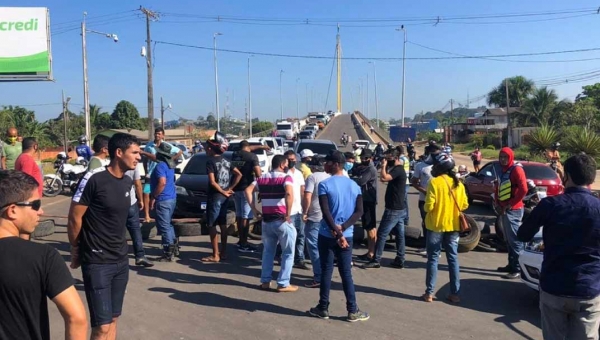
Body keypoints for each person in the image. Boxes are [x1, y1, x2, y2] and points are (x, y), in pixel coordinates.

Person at [518, 154, 600, 339]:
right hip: (589, 290)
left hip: (555, 287)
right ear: (591, 178)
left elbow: (523, 234)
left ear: (567, 176)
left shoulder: (550, 205)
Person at [68, 133, 141, 340]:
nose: (138, 157)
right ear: (119, 153)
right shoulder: (94, 178)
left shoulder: (127, 182)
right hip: (98, 262)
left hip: (120, 260)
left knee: (114, 319)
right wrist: (76, 249)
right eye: (134, 152)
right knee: (101, 326)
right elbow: (75, 217)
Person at [0, 170, 88, 340]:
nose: (40, 211)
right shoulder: (43, 257)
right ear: (12, 210)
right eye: (35, 204)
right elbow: (76, 318)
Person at [308, 150, 369, 322]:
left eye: (327, 162)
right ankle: (352, 309)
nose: (324, 165)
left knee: (326, 270)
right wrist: (342, 229)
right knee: (346, 273)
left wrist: (336, 231)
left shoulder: (324, 185)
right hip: (346, 235)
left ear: (335, 164)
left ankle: (323, 307)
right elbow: (359, 212)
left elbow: (326, 212)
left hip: (327, 234)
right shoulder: (354, 186)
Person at [245, 155, 298, 292]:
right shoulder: (286, 178)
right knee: (288, 252)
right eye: (287, 163)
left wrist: (254, 209)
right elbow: (289, 194)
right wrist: (288, 213)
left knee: (268, 252)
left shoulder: (262, 178)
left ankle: (265, 281)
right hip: (281, 220)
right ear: (282, 165)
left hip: (266, 221)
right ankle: (283, 283)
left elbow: (248, 190)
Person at [422, 153, 468, 303]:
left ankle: (429, 293)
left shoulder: (434, 183)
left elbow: (429, 206)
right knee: (453, 258)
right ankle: (455, 293)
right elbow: (464, 205)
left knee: (433, 258)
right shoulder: (459, 184)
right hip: (453, 226)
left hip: (436, 226)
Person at [364, 148, 408, 269]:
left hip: (394, 208)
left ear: (396, 158)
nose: (388, 161)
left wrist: (383, 166)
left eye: (390, 159)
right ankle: (400, 258)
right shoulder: (397, 169)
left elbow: (384, 178)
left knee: (382, 234)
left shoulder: (398, 170)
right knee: (400, 235)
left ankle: (376, 259)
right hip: (399, 207)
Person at [203, 132, 242, 262]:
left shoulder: (210, 162)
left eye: (206, 148)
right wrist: (229, 189)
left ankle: (215, 254)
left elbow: (213, 182)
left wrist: (222, 191)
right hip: (225, 197)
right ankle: (223, 252)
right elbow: (238, 174)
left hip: (215, 197)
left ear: (210, 148)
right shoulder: (226, 161)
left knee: (212, 225)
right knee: (223, 224)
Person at [496, 147, 528, 279]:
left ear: (510, 157)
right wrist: (498, 204)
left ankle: (518, 269)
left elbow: (523, 189)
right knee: (508, 240)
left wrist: (511, 204)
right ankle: (511, 264)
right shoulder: (503, 170)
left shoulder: (517, 169)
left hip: (513, 210)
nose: (503, 159)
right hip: (504, 209)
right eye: (501, 157)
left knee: (515, 240)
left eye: (505, 157)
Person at [143, 128, 182, 226]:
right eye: (156, 134)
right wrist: (146, 170)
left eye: (159, 134)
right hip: (152, 173)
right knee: (146, 192)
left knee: (163, 194)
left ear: (163, 135)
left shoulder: (166, 146)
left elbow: (180, 151)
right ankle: (147, 215)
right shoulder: (149, 145)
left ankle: (164, 218)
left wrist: (171, 159)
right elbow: (146, 159)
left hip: (163, 173)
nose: (157, 135)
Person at [302, 156, 330, 288]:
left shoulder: (312, 178)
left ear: (312, 167)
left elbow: (307, 196)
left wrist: (305, 212)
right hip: (327, 216)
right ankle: (325, 274)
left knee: (313, 245)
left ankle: (318, 276)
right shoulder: (329, 177)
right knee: (324, 246)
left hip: (314, 216)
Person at [231, 140, 263, 253]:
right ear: (248, 147)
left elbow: (248, 148)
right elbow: (259, 174)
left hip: (235, 188)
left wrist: (261, 146)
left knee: (239, 216)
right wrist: (262, 190)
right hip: (247, 188)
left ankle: (241, 241)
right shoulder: (252, 157)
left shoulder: (235, 155)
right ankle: (244, 244)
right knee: (246, 216)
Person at [150, 143, 179, 262]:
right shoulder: (170, 165)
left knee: (164, 226)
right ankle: (174, 247)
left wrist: (154, 196)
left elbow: (162, 182)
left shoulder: (160, 166)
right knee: (168, 224)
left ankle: (168, 252)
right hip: (171, 198)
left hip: (163, 199)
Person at [411, 144, 441, 255]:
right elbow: (414, 181)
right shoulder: (420, 166)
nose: (437, 156)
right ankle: (427, 246)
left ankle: (436, 247)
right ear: (428, 154)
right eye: (435, 154)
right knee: (426, 223)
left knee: (437, 223)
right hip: (424, 200)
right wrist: (424, 191)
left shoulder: (442, 166)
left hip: (440, 200)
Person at [350, 149, 378, 261]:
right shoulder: (365, 168)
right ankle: (371, 251)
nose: (363, 160)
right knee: (370, 227)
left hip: (368, 200)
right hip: (367, 199)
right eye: (362, 158)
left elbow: (360, 182)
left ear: (370, 158)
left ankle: (371, 253)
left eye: (365, 158)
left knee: (370, 227)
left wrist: (350, 179)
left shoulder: (370, 169)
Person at [125, 162, 154, 267]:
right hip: (131, 202)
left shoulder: (113, 163)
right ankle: (140, 256)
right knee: (135, 230)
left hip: (117, 202)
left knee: (116, 230)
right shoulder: (133, 164)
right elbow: (137, 184)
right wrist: (140, 200)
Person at [284, 150, 307, 270]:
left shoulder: (298, 173)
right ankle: (289, 259)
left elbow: (302, 191)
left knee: (301, 236)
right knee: (289, 237)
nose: (291, 162)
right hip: (289, 211)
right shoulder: (283, 174)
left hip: (299, 210)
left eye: (293, 159)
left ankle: (300, 258)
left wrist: (305, 208)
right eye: (289, 159)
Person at [398, 146, 411, 227]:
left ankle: (403, 218)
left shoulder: (401, 160)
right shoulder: (405, 159)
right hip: (406, 182)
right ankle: (405, 218)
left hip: (402, 183)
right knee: (404, 201)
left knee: (401, 201)